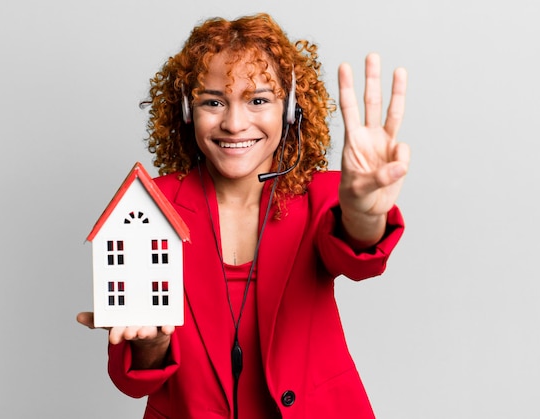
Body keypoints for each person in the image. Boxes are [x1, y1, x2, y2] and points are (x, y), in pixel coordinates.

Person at [77, 12, 409, 419]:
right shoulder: (153, 204)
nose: (235, 124)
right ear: (186, 111)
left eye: (258, 100)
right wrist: (150, 343)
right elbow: (135, 379)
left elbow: (358, 251)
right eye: (213, 101)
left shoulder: (320, 195)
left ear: (290, 110)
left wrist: (363, 211)